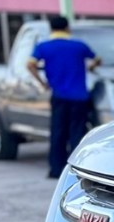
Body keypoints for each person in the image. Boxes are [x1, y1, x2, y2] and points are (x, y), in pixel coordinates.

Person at [27, 16, 101, 178]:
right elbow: (97, 59)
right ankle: (78, 170)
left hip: (59, 96)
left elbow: (30, 64)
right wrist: (91, 67)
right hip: (80, 96)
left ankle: (55, 169)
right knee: (77, 132)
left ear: (51, 28)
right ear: (68, 28)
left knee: (58, 132)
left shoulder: (43, 46)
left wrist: (42, 82)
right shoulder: (79, 46)